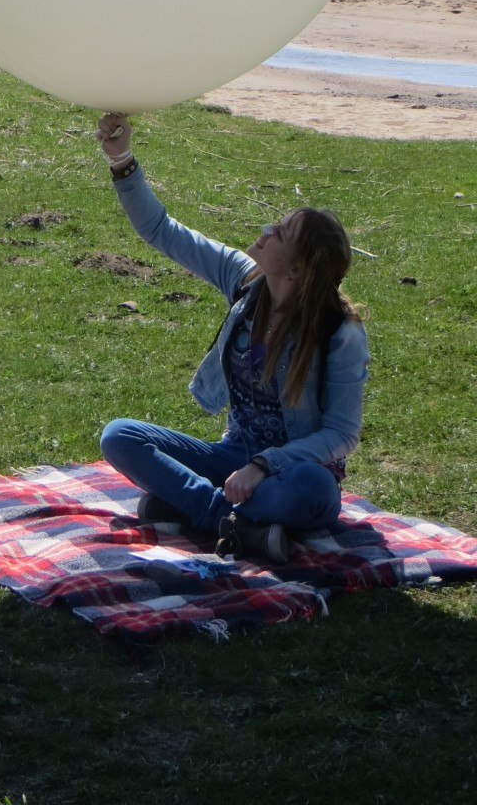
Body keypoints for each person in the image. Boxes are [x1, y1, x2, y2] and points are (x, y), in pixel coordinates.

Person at [95, 111, 368, 566]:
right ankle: (229, 521)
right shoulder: (245, 281)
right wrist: (121, 158)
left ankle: (191, 508)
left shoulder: (339, 331)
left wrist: (265, 465)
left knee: (312, 492)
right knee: (120, 437)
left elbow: (341, 434)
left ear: (296, 270)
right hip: (232, 459)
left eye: (279, 234)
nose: (264, 232)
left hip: (294, 474)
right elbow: (161, 230)